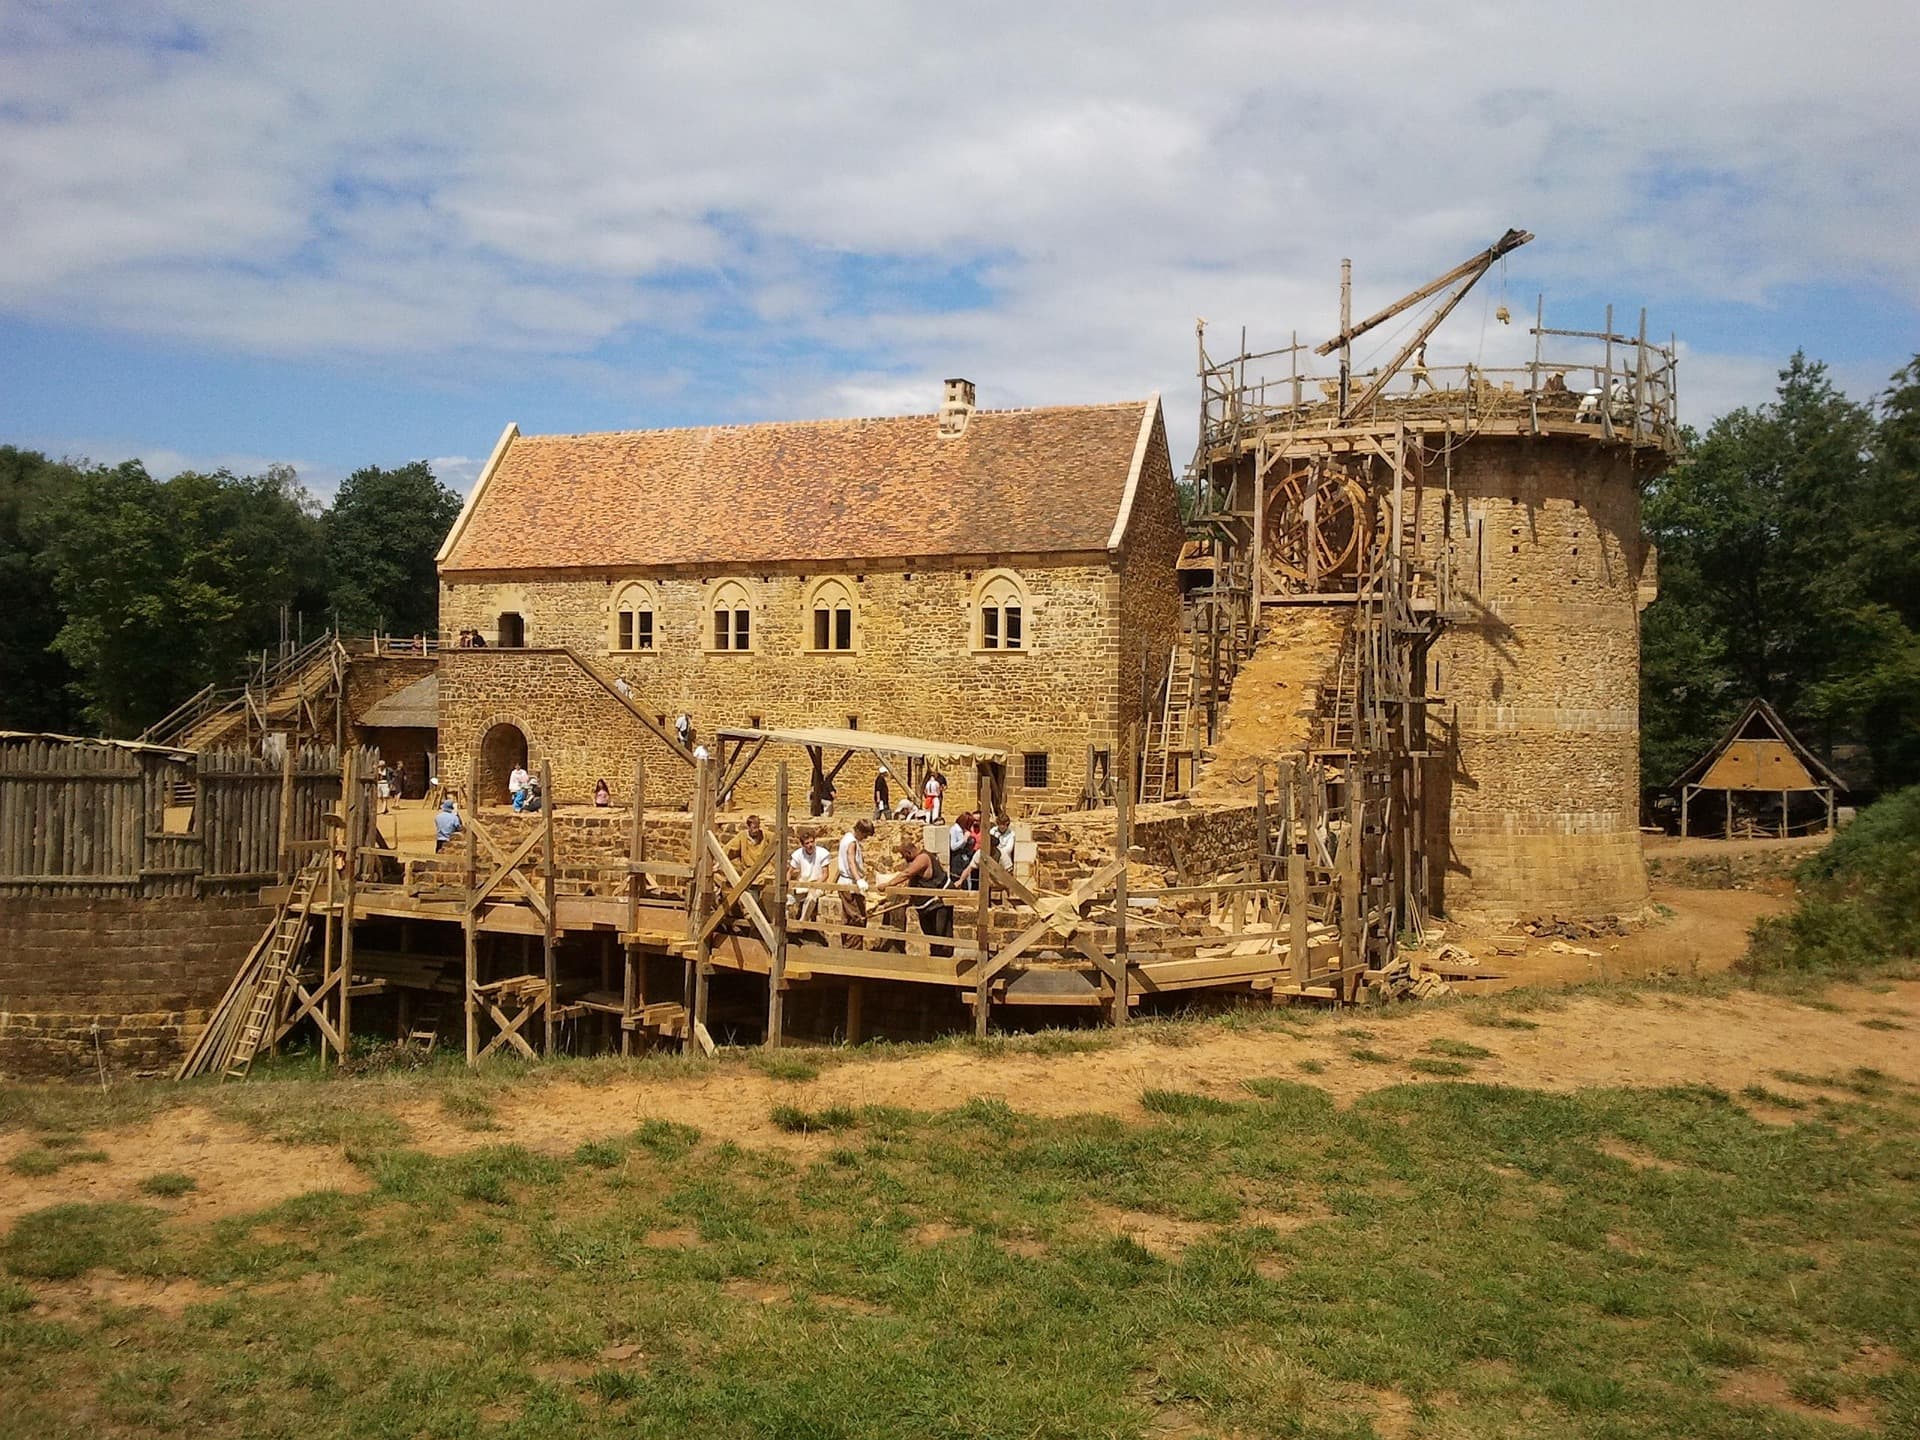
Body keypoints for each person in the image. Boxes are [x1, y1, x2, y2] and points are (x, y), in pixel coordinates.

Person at [879, 835, 952, 956]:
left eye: (904, 855)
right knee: (930, 934)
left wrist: (887, 884)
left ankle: (943, 961)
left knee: (940, 934)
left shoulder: (923, 858)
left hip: (938, 902)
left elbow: (907, 874)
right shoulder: (916, 859)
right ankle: (935, 958)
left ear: (909, 852)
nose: (904, 858)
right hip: (925, 905)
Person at [727, 814, 778, 922]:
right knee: (749, 893)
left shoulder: (765, 835)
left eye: (758, 827)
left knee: (768, 892)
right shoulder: (742, 837)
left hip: (764, 871)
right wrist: (718, 861)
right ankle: (752, 916)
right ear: (748, 827)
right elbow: (728, 849)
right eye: (754, 828)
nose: (757, 830)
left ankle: (764, 918)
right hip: (750, 872)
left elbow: (777, 838)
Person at [836, 818, 873, 948]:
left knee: (847, 918)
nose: (865, 838)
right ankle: (851, 950)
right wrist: (858, 879)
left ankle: (847, 947)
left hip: (845, 882)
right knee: (857, 918)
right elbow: (851, 861)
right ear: (859, 831)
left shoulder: (847, 837)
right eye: (864, 835)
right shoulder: (851, 842)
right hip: (849, 884)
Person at [788, 826, 831, 924]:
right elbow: (789, 872)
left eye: (812, 842)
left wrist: (815, 886)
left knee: (811, 898)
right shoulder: (798, 854)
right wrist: (788, 886)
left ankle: (802, 922)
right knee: (788, 899)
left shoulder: (822, 853)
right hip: (803, 884)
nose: (810, 845)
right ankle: (788, 922)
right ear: (803, 845)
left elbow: (825, 874)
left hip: (818, 884)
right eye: (807, 843)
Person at [949, 811, 982, 890]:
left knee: (967, 882)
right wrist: (964, 839)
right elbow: (953, 846)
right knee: (958, 879)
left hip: (965, 858)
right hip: (957, 860)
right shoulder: (954, 830)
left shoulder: (963, 830)